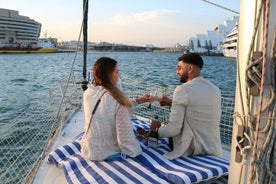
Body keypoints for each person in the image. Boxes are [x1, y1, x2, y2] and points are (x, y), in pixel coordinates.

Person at [150, 53, 222, 160]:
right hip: (212, 148)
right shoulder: (215, 90)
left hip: (190, 149)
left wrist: (155, 131)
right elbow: (197, 107)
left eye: (179, 68)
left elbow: (174, 129)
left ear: (190, 68)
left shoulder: (183, 89)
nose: (177, 72)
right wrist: (171, 103)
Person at [81, 56, 152, 161]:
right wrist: (136, 150)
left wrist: (138, 100)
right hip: (108, 153)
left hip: (88, 149)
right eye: (117, 72)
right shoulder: (117, 99)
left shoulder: (88, 93)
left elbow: (107, 108)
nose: (118, 76)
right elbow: (124, 139)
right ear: (109, 75)